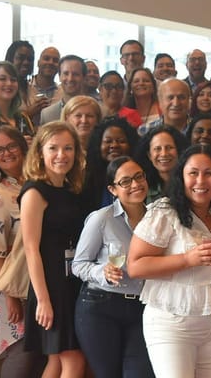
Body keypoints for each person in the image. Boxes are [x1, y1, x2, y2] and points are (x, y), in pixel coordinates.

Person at [129, 144, 211, 378]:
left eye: (209, 173)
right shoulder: (164, 211)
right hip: (173, 323)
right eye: (193, 173)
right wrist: (187, 259)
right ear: (182, 176)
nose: (201, 180)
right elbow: (135, 265)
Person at [73, 156, 154, 378]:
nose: (135, 184)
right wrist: (102, 272)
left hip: (143, 307)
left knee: (140, 374)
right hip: (100, 306)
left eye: (139, 177)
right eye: (125, 181)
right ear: (113, 189)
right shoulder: (102, 218)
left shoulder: (157, 218)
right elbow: (78, 265)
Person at [0, 126, 44, 377]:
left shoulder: (37, 183)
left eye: (11, 146)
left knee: (38, 359)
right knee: (20, 355)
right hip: (10, 290)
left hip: (38, 285)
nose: (6, 154)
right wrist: (11, 297)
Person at [20, 122, 88, 377]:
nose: (62, 155)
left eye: (68, 148)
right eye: (54, 148)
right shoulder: (35, 192)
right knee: (74, 362)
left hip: (70, 283)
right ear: (40, 152)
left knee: (57, 362)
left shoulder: (71, 191)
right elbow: (30, 249)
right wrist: (43, 300)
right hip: (50, 287)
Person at [83, 117, 140, 211]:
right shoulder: (89, 181)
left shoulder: (140, 179)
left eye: (121, 141)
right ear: (98, 145)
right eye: (108, 141)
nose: (114, 145)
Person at [135, 126, 188, 204]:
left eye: (169, 147)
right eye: (157, 149)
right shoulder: (142, 187)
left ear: (178, 151)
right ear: (149, 155)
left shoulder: (189, 183)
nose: (164, 154)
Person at [5, 40, 47, 121]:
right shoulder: (3, 89)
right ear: (11, 59)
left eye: (30, 59)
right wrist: (28, 114)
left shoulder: (31, 88)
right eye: (21, 58)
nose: (26, 62)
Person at [41, 54, 87, 124]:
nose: (70, 78)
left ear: (84, 77)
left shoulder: (96, 111)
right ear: (59, 76)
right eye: (66, 73)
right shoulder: (47, 115)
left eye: (75, 74)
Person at [122, 68, 161, 135]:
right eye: (136, 81)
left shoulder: (162, 108)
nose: (141, 83)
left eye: (146, 81)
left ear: (153, 86)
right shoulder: (123, 112)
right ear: (130, 87)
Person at [29, 47, 62, 124]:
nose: (50, 62)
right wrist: (29, 113)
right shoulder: (24, 89)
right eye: (46, 59)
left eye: (55, 60)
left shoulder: (63, 92)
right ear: (38, 63)